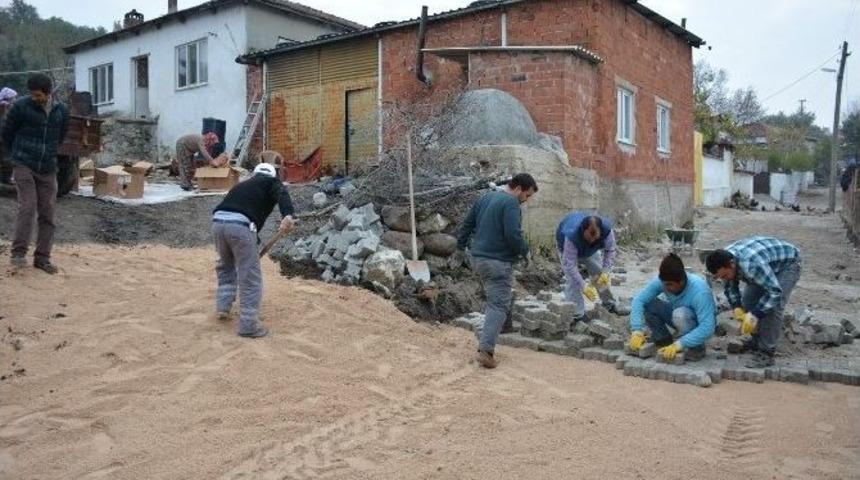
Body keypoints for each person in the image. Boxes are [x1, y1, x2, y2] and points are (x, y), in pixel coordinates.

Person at [457, 173, 538, 369]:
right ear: (518, 188)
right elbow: (513, 234)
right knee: (497, 305)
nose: (525, 201)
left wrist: (461, 248)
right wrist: (525, 252)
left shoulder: (485, 197)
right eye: (526, 195)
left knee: (498, 298)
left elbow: (467, 224)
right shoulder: (510, 203)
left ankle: (497, 331)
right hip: (497, 261)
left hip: (478, 258)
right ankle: (486, 351)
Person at [211, 163, 295, 338]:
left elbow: (241, 210)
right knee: (250, 276)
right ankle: (248, 326)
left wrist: (252, 243)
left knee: (226, 266)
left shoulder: (242, 185)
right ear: (273, 175)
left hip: (218, 223)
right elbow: (283, 194)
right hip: (241, 226)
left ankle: (223, 307)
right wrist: (288, 215)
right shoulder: (272, 182)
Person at [1, 74, 69, 273]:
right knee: (28, 207)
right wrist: (15, 156)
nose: (34, 98)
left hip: (48, 167)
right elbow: (7, 132)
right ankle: (18, 253)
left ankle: (42, 258)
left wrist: (48, 153)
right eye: (31, 94)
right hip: (23, 164)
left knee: (48, 213)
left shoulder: (61, 110)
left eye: (37, 95)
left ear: (48, 94)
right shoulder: (21, 106)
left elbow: (61, 136)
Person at [706, 236, 801, 368]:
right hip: (765, 264)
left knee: (773, 308)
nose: (724, 279)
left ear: (732, 264)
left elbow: (775, 293)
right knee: (748, 300)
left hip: (787, 264)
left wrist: (755, 314)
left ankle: (767, 352)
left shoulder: (751, 266)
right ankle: (756, 341)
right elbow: (729, 286)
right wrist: (737, 307)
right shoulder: (723, 260)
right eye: (720, 277)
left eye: (725, 275)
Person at [627, 253, 716, 362]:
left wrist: (680, 344)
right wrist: (636, 330)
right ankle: (664, 341)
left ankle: (697, 349)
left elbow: (708, 327)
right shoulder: (664, 281)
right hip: (676, 315)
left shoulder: (700, 291)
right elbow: (639, 300)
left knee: (680, 314)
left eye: (669, 284)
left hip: (695, 323)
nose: (665, 287)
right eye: (664, 284)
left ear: (681, 281)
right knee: (650, 303)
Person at [555, 212, 629, 323]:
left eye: (595, 239)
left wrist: (606, 271)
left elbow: (610, 250)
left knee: (599, 275)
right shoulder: (571, 235)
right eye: (589, 238)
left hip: (591, 251)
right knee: (573, 281)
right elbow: (570, 265)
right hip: (568, 250)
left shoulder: (607, 231)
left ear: (600, 232)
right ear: (582, 231)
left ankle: (609, 303)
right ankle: (577, 315)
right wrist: (583, 286)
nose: (592, 241)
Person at [0, 87, 18, 185]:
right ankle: (5, 178)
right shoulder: (4, 106)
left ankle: (5, 178)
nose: (15, 100)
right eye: (13, 98)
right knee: (6, 158)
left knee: (6, 159)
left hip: (4, 136)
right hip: (2, 136)